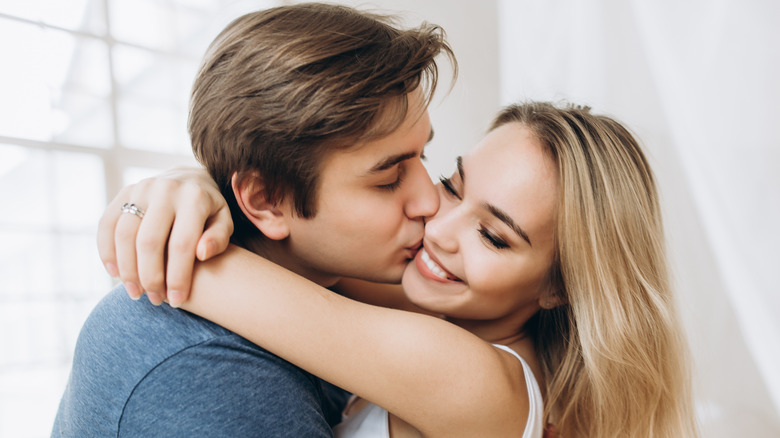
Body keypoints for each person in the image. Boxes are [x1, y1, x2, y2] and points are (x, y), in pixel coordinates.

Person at [98, 102, 700, 437]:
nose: (437, 227)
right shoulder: (448, 316)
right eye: (453, 186)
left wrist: (179, 195)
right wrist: (198, 181)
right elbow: (309, 257)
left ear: (556, 288)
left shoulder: (472, 379)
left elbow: (191, 269)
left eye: (492, 235)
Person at [52, 3, 456, 437]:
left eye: (422, 157)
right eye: (390, 178)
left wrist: (192, 177)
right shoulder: (210, 374)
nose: (430, 200)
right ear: (265, 201)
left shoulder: (331, 283)